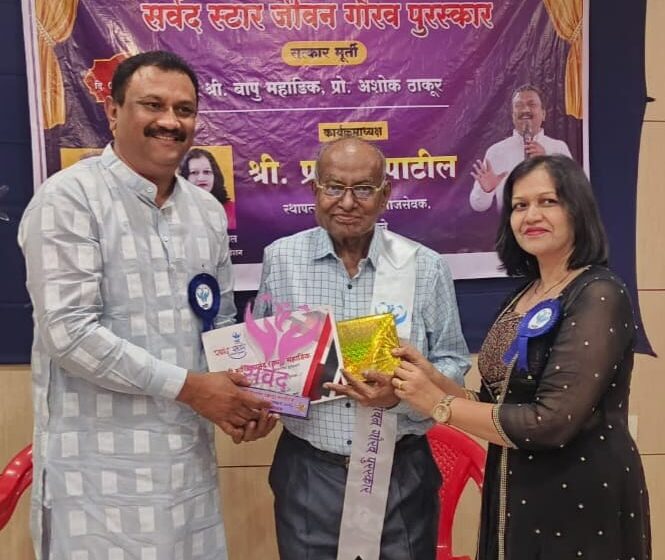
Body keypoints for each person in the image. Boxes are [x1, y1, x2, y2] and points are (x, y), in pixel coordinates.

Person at [18, 51, 275, 560]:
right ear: (113, 111)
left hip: (186, 470)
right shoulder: (69, 198)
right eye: (152, 105)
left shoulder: (205, 211)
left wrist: (245, 400)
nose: (170, 121)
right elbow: (69, 333)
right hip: (97, 479)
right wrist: (194, 390)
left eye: (184, 109)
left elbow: (219, 323)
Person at [390, 155, 651, 559]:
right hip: (514, 491)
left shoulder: (599, 293)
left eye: (548, 201)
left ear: (577, 209)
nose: (531, 216)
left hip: (580, 495)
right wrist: (432, 378)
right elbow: (496, 404)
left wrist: (438, 404)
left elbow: (550, 422)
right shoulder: (523, 296)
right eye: (519, 205)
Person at [253, 137, 470, 559]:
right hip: (309, 473)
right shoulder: (281, 260)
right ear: (315, 191)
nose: (348, 202)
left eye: (364, 189)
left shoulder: (424, 266)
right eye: (334, 187)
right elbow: (264, 358)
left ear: (385, 194)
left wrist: (401, 395)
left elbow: (452, 363)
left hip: (401, 474)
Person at [469, 84, 572, 213]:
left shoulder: (558, 148)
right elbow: (478, 205)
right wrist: (486, 190)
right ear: (513, 115)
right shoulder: (496, 152)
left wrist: (548, 165)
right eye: (519, 105)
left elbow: (575, 196)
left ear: (543, 114)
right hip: (512, 223)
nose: (525, 109)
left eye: (531, 104)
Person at [181, 147, 237, 230]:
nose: (201, 178)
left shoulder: (232, 210)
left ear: (215, 175)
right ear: (184, 177)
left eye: (206, 172)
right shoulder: (175, 209)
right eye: (194, 173)